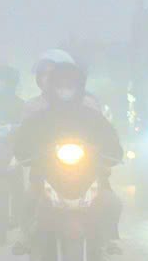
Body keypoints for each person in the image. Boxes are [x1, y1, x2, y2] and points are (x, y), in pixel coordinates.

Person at [9, 52, 126, 250]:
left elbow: (109, 138)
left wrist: (111, 153)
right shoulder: (38, 115)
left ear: (79, 86)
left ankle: (107, 239)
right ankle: (28, 237)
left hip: (89, 174)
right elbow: (23, 140)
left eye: (69, 85)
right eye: (60, 85)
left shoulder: (90, 112)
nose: (65, 90)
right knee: (28, 200)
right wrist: (26, 154)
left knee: (112, 202)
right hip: (45, 175)